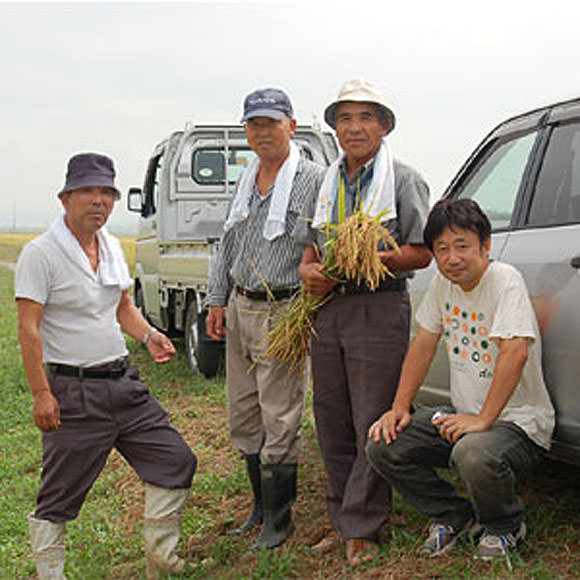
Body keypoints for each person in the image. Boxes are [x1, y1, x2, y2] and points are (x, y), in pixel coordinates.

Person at [15, 153, 197, 580]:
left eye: (106, 193)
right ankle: (50, 575)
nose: (98, 201)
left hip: (123, 384)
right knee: (57, 496)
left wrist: (149, 335)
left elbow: (123, 308)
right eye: (88, 191)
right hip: (72, 391)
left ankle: (162, 562)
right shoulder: (40, 254)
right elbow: (28, 330)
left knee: (176, 460)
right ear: (66, 198)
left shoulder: (113, 246)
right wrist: (42, 392)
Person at [366, 198, 555, 561]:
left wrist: (483, 419)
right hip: (463, 416)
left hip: (518, 422)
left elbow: (515, 352)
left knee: (473, 451)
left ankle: (504, 524)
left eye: (462, 246)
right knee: (384, 442)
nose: (452, 258)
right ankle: (452, 514)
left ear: (486, 246)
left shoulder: (505, 280)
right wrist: (399, 407)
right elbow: (423, 344)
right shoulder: (443, 283)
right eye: (442, 249)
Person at [299, 79, 432, 565]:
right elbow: (308, 250)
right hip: (327, 309)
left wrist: (367, 260)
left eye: (366, 117)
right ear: (334, 127)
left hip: (377, 306)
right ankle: (341, 519)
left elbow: (421, 252)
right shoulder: (324, 182)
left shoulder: (403, 180)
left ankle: (364, 526)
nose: (354, 127)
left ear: (384, 126)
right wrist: (310, 271)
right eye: (345, 118)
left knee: (372, 419)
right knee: (331, 420)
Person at [205, 88, 325, 548]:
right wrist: (217, 298)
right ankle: (259, 505)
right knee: (243, 410)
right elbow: (228, 241)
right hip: (240, 305)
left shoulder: (313, 178)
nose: (262, 132)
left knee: (280, 411)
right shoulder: (246, 178)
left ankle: (280, 516)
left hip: (284, 308)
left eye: (271, 123)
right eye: (254, 124)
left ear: (291, 126)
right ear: (246, 132)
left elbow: (322, 241)